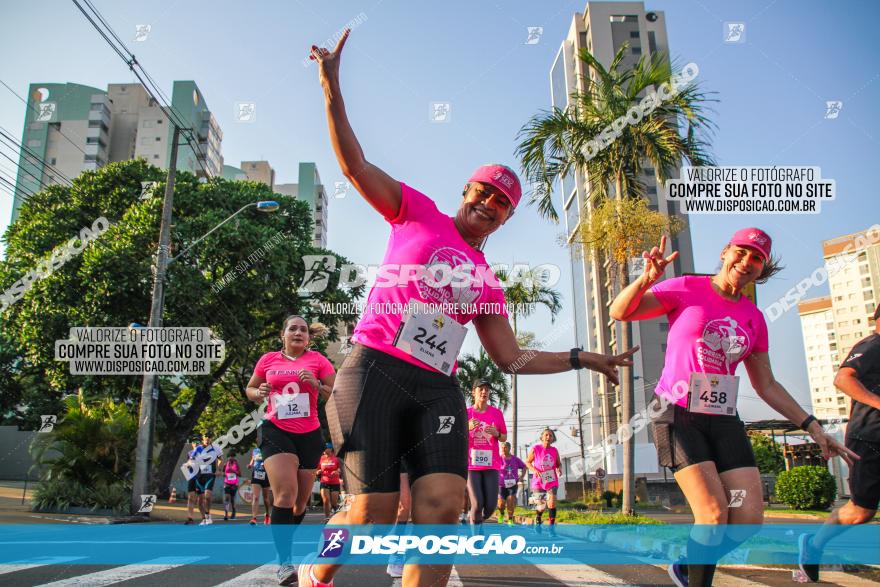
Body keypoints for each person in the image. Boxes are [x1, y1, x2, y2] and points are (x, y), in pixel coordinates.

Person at [303, 29, 636, 587]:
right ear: (467, 190)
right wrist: (332, 86)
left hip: (436, 386)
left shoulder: (487, 283)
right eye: (484, 192)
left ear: (506, 218)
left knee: (441, 511)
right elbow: (356, 166)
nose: (490, 203)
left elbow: (510, 359)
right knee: (372, 517)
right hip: (375, 370)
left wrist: (579, 357)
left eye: (502, 202)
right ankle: (318, 569)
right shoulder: (418, 213)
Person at [609, 231, 858, 587]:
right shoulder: (686, 288)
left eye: (756, 259)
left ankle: (687, 566)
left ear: (762, 268)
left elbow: (766, 384)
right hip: (676, 411)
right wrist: (648, 278)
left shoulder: (753, 317)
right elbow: (620, 311)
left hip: (723, 417)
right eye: (741, 253)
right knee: (712, 514)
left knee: (748, 519)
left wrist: (812, 426)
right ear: (726, 252)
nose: (746, 262)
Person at [245, 315, 336, 585]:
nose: (298, 332)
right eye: (293, 328)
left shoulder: (319, 361)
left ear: (309, 337)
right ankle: (284, 561)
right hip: (276, 430)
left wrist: (317, 385)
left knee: (300, 503)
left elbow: (335, 392)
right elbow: (250, 388)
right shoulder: (268, 360)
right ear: (283, 335)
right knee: (285, 494)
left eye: (303, 330)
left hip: (309, 435)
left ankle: (284, 539)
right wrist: (258, 391)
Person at [798, 305, 880, 582]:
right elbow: (842, 379)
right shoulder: (872, 345)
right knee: (861, 510)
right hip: (869, 437)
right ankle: (814, 545)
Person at [467, 379, 506, 528]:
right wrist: (467, 427)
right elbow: (456, 435)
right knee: (477, 503)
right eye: (480, 389)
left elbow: (504, 437)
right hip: (472, 465)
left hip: (491, 464)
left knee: (490, 507)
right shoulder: (466, 413)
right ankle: (476, 538)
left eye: (487, 390)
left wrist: (496, 433)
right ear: (474, 392)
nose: (484, 392)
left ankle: (478, 521)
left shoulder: (496, 413)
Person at [527, 428, 561, 535]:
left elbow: (558, 463)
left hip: (551, 480)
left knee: (551, 504)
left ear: (552, 438)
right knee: (541, 506)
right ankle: (538, 518)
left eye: (550, 435)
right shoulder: (535, 449)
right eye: (546, 435)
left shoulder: (554, 450)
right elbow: (528, 462)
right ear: (541, 437)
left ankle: (551, 528)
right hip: (539, 480)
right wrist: (535, 470)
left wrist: (559, 468)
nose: (548, 437)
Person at [193, 432, 222, 526]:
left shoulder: (216, 448)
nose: (207, 439)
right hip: (199, 476)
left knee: (208, 496)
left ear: (211, 439)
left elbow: (221, 459)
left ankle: (208, 515)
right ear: (202, 438)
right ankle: (204, 518)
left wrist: (218, 469)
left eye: (209, 437)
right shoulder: (198, 448)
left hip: (210, 475)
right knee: (200, 500)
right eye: (206, 437)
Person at [497, 441, 527, 525]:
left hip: (512, 484)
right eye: (502, 447)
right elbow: (493, 468)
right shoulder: (499, 459)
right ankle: (502, 514)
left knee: (510, 500)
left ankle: (510, 519)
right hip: (501, 485)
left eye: (505, 447)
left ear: (509, 448)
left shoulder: (515, 459)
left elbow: (524, 467)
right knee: (501, 504)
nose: (503, 449)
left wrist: (521, 477)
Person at [317, 443, 342, 523]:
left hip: (335, 482)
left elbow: (340, 469)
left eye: (325, 448)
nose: (323, 450)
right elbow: (316, 470)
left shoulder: (336, 458)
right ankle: (327, 518)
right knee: (326, 500)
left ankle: (338, 514)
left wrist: (337, 471)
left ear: (330, 449)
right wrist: (318, 472)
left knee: (334, 503)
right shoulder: (321, 458)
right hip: (324, 481)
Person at [248, 446, 272, 526]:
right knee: (255, 497)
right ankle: (254, 518)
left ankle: (267, 515)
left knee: (265, 498)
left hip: (266, 475)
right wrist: (250, 465)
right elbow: (253, 459)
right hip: (256, 474)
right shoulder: (255, 450)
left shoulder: (269, 448)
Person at [184, 437, 200, 525]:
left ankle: (205, 517)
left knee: (201, 499)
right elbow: (187, 464)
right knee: (190, 498)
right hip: (192, 477)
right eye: (194, 442)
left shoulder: (202, 453)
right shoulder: (189, 453)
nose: (196, 443)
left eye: (198, 442)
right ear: (192, 444)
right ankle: (190, 517)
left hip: (200, 477)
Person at [222, 455, 241, 521]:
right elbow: (223, 473)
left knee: (232, 499)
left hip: (234, 484)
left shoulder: (237, 464)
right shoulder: (225, 464)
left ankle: (233, 512)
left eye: (232, 457)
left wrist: (234, 471)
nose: (231, 458)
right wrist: (224, 474)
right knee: (227, 498)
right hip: (227, 483)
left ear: (234, 458)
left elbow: (240, 474)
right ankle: (226, 514)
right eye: (230, 457)